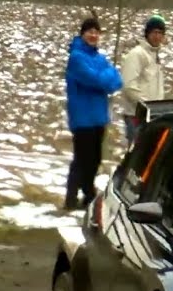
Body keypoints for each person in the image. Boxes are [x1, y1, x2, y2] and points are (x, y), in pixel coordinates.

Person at [64, 17, 123, 210]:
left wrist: (106, 78)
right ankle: (73, 198)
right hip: (82, 117)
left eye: (96, 32)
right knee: (81, 159)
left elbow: (116, 82)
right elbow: (97, 80)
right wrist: (106, 76)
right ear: (82, 34)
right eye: (89, 31)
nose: (93, 35)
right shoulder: (76, 57)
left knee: (95, 158)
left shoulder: (100, 58)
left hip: (98, 116)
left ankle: (87, 195)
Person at [118, 14, 167, 147]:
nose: (157, 36)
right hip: (136, 116)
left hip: (153, 116)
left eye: (160, 33)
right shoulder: (137, 54)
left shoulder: (155, 56)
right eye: (154, 32)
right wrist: (147, 106)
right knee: (137, 156)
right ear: (147, 34)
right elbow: (129, 86)